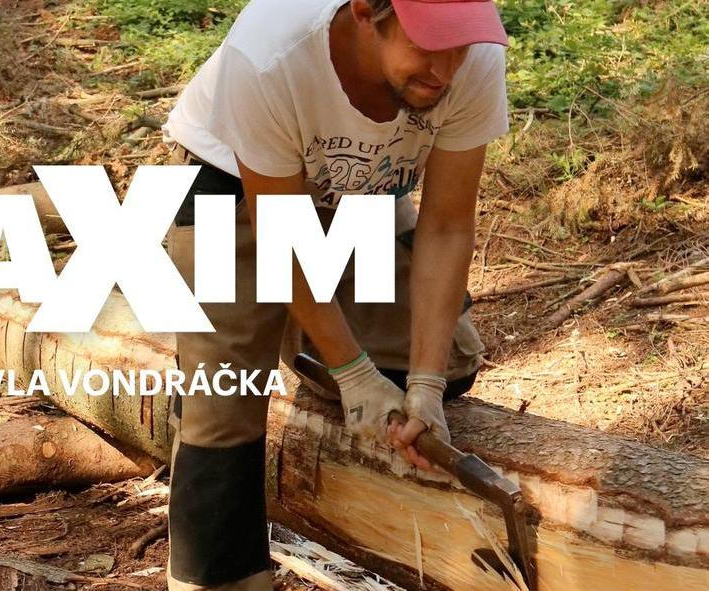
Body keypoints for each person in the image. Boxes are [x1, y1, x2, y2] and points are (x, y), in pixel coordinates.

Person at [160, 0, 510, 588]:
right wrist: (351, 370)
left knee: (442, 363)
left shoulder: (474, 59)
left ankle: (295, 328)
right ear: (367, 12)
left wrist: (423, 384)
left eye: (459, 45)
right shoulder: (268, 54)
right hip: (233, 184)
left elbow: (448, 226)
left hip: (360, 196)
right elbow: (283, 234)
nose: (445, 69)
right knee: (225, 407)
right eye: (428, 44)